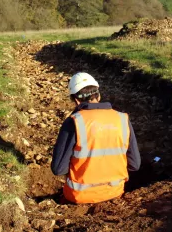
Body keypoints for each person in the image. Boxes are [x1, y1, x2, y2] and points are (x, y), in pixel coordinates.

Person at [51, 72, 141, 204]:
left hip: (79, 197)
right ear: (98, 95)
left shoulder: (74, 122)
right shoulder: (122, 119)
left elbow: (59, 169)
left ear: (76, 100)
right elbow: (135, 165)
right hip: (115, 192)